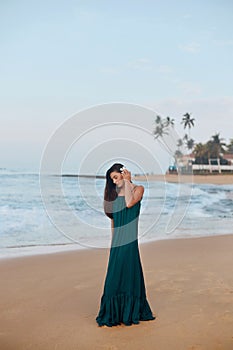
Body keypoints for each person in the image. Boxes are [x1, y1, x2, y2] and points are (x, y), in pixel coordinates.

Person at [96, 163, 155, 327]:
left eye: (116, 177)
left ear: (124, 174)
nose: (114, 182)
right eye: (112, 179)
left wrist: (128, 182)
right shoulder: (113, 195)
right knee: (113, 279)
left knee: (129, 275)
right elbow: (114, 222)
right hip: (117, 243)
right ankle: (113, 313)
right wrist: (113, 243)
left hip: (129, 242)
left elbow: (129, 203)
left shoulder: (138, 189)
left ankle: (131, 312)